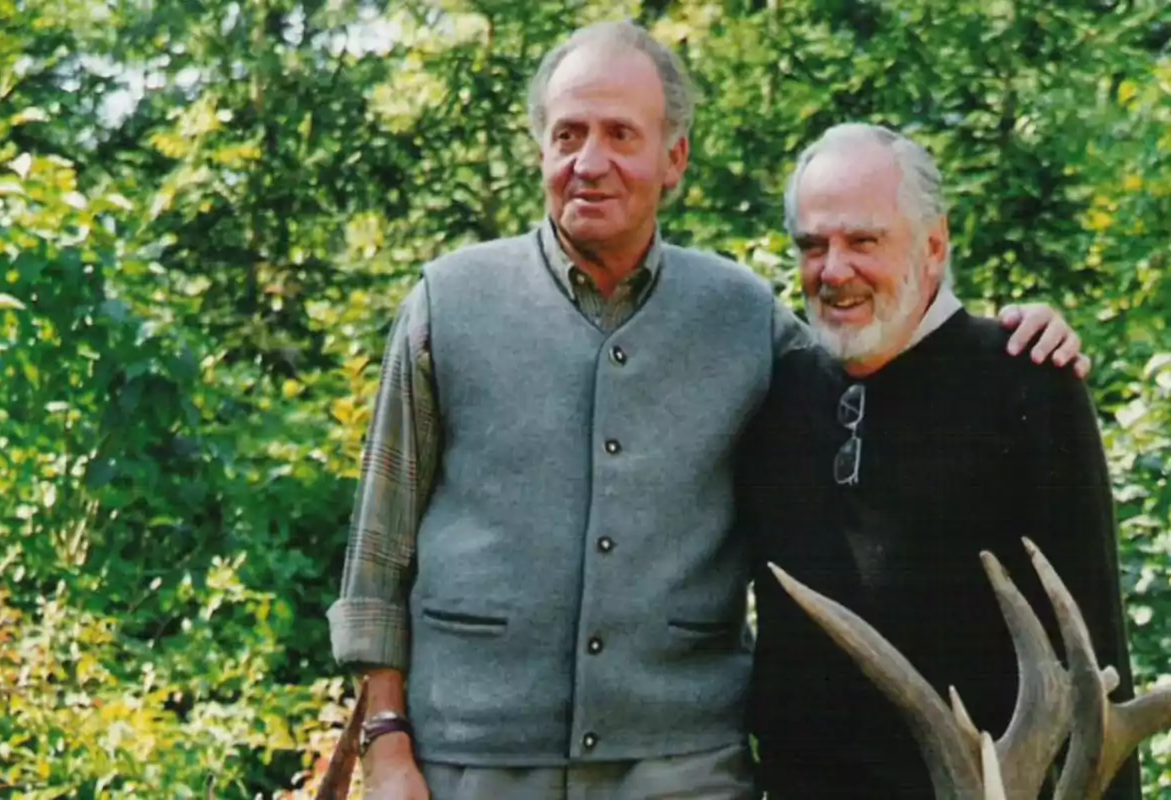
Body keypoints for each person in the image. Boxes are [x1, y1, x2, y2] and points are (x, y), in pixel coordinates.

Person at [326, 23, 1084, 800]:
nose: (590, 162)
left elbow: (877, 358)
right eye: (568, 135)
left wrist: (1005, 343)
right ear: (541, 152)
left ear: (675, 159)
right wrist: (388, 748)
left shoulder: (745, 319)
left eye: (621, 133)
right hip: (471, 768)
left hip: (685, 773)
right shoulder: (446, 305)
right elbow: (377, 561)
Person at [738, 123, 1139, 799]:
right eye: (813, 245)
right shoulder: (779, 394)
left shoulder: (1026, 383)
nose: (834, 271)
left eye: (864, 240)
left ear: (933, 245)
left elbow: (1091, 652)